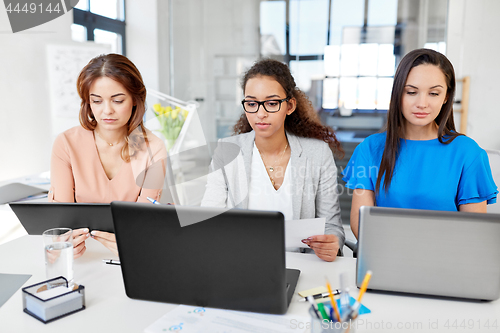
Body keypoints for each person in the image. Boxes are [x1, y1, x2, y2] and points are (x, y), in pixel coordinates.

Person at [342, 48, 498, 239]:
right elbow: (361, 224)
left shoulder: (468, 153)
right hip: (385, 260)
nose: (422, 103)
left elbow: (474, 233)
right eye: (411, 92)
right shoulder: (370, 149)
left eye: (433, 93)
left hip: (445, 264)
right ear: (398, 93)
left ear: (446, 97)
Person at [201, 58, 345, 262]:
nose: (260, 113)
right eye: (252, 103)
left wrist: (333, 243)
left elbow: (332, 226)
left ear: (290, 106)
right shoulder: (227, 151)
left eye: (271, 103)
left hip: (301, 266)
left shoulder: (318, 154)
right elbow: (210, 219)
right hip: (239, 262)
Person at [49, 54, 167, 257]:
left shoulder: (153, 148)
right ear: (88, 102)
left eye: (118, 100)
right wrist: (63, 244)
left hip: (133, 251)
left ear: (135, 101)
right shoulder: (66, 143)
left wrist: (129, 244)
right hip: (80, 255)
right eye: (96, 101)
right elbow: (62, 221)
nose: (107, 111)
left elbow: (145, 220)